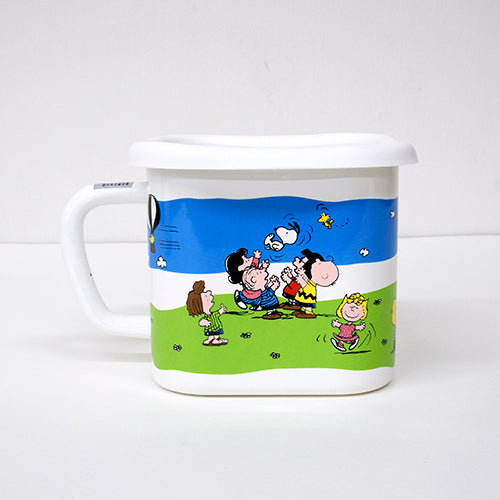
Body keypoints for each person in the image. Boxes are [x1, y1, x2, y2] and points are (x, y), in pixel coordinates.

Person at [186, 280, 228, 346]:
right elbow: (201, 322)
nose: (209, 293)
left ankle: (217, 339)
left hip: (217, 329)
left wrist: (221, 310)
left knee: (216, 335)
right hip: (210, 330)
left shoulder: (212, 314)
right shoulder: (206, 316)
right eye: (205, 296)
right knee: (211, 336)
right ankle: (210, 340)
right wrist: (205, 322)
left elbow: (217, 314)